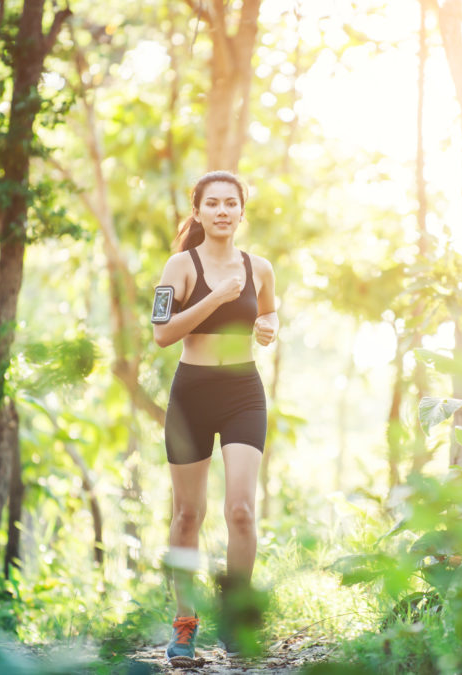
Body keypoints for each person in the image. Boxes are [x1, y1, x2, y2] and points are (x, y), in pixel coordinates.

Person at [152, 171, 278, 661]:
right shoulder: (179, 266)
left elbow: (267, 313)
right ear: (199, 211)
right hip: (193, 395)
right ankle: (184, 626)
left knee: (241, 511)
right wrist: (216, 297)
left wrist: (267, 326)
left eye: (231, 203)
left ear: (241, 212)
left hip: (243, 389)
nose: (223, 211)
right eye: (213, 204)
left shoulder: (260, 267)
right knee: (188, 513)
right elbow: (162, 335)